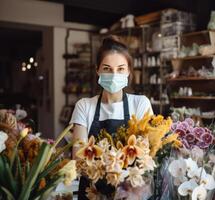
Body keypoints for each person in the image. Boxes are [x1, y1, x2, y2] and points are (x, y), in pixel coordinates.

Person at [70, 35, 153, 199]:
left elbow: (147, 155)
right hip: (92, 192)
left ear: (129, 71)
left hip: (129, 192)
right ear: (98, 70)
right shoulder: (84, 106)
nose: (114, 75)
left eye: (120, 69)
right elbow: (78, 158)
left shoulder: (141, 104)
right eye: (107, 69)